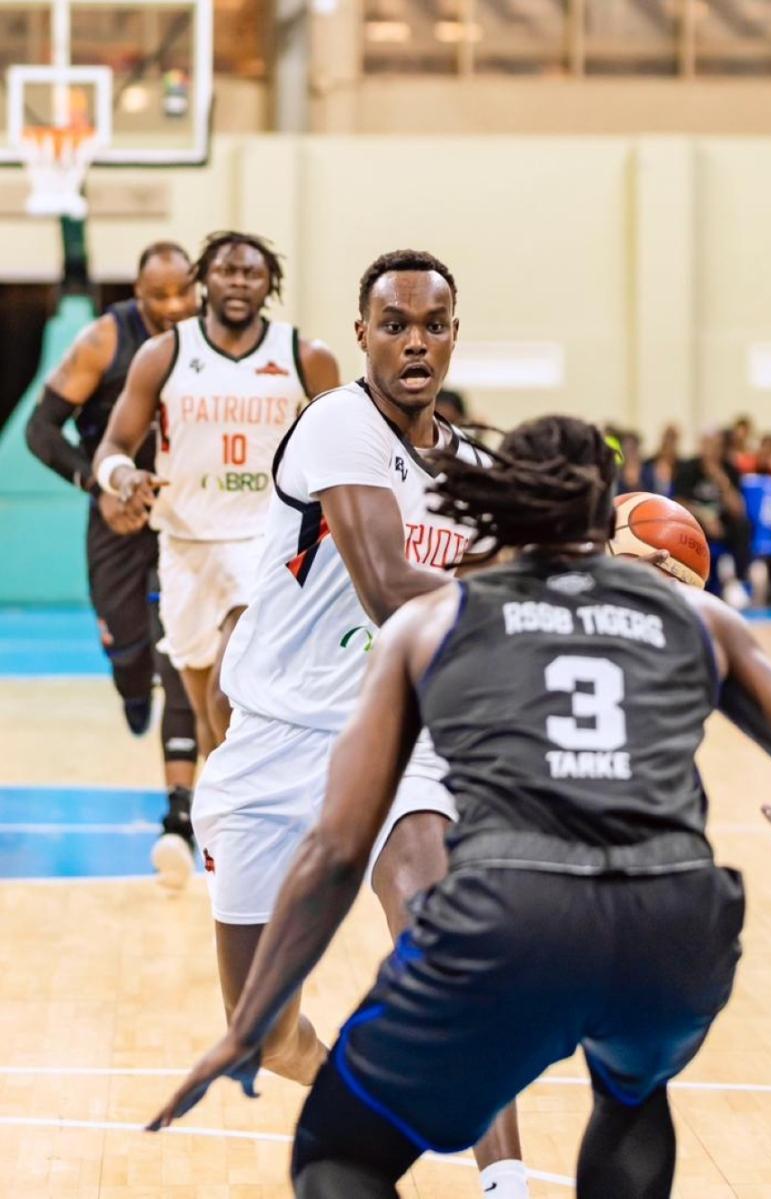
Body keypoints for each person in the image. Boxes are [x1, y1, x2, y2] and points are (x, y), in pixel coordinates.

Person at [149, 414, 771, 1199]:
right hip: (678, 919)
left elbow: (335, 852)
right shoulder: (701, 617)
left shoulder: (442, 617)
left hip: (520, 908)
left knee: (339, 1157)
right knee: (633, 1093)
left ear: (504, 507)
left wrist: (245, 1024)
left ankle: (500, 1177)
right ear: (607, 511)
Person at [184, 249, 529, 1197]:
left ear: (454, 336)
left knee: (444, 941)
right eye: (395, 324)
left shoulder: (474, 467)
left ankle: (505, 1180)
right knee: (264, 1032)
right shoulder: (339, 422)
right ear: (363, 335)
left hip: (393, 737)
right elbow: (385, 585)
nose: (415, 341)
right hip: (274, 742)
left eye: (434, 325)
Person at [92, 232, 340, 788]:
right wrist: (122, 477)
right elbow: (113, 445)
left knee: (230, 691)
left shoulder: (305, 356)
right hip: (185, 544)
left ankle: (264, 807)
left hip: (268, 542)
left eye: (252, 273)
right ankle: (224, 818)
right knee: (206, 709)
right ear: (204, 279)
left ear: (270, 285)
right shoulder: (164, 354)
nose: (239, 282)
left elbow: (343, 443)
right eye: (227, 270)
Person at [25, 241, 201, 884]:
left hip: (187, 516)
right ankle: (130, 680)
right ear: (136, 293)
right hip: (117, 514)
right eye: (159, 296)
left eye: (184, 293)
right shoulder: (105, 340)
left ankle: (179, 810)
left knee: (181, 656)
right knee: (131, 649)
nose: (174, 307)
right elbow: (41, 431)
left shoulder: (216, 341)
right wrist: (96, 485)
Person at [674, 428, 753, 608]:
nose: (712, 450)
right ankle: (696, 580)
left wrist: (720, 479)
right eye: (708, 444)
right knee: (692, 529)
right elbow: (679, 502)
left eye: (716, 446)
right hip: (696, 519)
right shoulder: (688, 468)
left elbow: (738, 508)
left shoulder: (730, 469)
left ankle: (736, 581)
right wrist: (705, 516)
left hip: (723, 521)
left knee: (743, 525)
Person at [641, 423, 681, 497]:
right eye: (668, 436)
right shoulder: (649, 463)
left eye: (672, 437)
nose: (669, 441)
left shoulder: (681, 466)